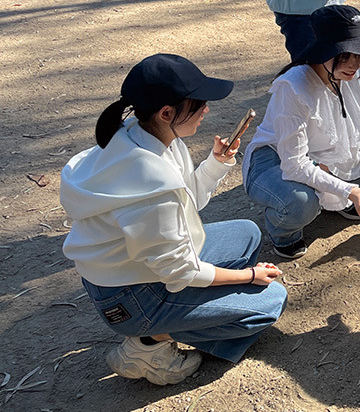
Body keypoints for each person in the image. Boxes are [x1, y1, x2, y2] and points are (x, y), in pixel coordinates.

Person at [60, 54, 287, 385]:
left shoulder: (141, 134)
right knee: (270, 302)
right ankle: (149, 344)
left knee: (247, 234)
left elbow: (185, 202)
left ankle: (165, 327)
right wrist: (247, 275)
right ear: (166, 113)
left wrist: (216, 163)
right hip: (130, 298)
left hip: (134, 270)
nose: (206, 109)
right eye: (198, 103)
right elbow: (181, 271)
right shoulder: (150, 184)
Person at [243, 5, 360, 259]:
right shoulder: (293, 88)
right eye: (344, 55)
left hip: (327, 151)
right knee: (300, 202)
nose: (355, 63)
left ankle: (344, 200)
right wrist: (349, 186)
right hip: (276, 158)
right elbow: (294, 164)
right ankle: (284, 233)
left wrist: (344, 151)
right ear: (323, 51)